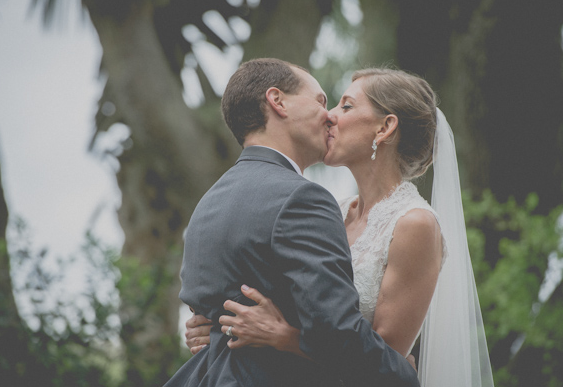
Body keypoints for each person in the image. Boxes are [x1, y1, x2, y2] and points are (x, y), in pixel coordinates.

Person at [185, 67, 495, 387]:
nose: (329, 116)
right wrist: (216, 325)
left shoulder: (415, 224)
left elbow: (383, 358)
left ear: (385, 127)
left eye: (345, 106)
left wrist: (284, 337)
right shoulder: (332, 210)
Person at [165, 59, 419, 387]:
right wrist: (405, 375)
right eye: (320, 101)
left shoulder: (209, 202)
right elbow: (336, 331)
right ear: (278, 101)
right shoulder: (302, 199)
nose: (329, 116)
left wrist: (215, 327)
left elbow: (204, 312)